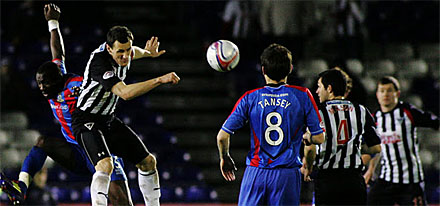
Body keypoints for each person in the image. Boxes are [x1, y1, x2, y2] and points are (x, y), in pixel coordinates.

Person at [0, 4, 132, 205]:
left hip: (100, 151)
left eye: (46, 83)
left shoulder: (77, 87)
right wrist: (53, 23)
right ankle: (21, 186)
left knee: (120, 201)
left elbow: (102, 92)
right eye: (40, 83)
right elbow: (57, 50)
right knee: (42, 143)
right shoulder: (56, 75)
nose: (43, 88)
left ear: (58, 80)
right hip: (77, 152)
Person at [71, 24, 180, 206]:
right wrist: (159, 80)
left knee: (148, 162)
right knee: (105, 165)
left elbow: (133, 52)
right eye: (120, 52)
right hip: (86, 120)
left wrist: (146, 52)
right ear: (108, 49)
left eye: (127, 50)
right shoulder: (100, 63)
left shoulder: (125, 53)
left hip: (107, 119)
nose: (125, 56)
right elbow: (125, 93)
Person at [216, 43, 324, 206]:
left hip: (255, 172)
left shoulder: (250, 97)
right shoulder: (302, 95)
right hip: (286, 174)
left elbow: (222, 136)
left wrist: (225, 157)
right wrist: (307, 139)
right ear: (290, 69)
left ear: (263, 70)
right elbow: (319, 137)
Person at [302, 68, 381, 205]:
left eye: (319, 87)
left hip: (328, 181)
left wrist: (308, 167)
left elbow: (310, 149)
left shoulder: (318, 112)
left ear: (330, 88)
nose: (317, 91)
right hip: (354, 181)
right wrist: (353, 148)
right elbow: (376, 148)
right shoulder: (361, 110)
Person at [366, 76, 439, 206]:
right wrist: (370, 170)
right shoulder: (375, 118)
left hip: (410, 181)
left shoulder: (407, 112)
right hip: (386, 179)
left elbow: (434, 122)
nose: (385, 94)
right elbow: (377, 147)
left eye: (389, 90)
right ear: (377, 94)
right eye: (382, 91)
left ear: (397, 93)